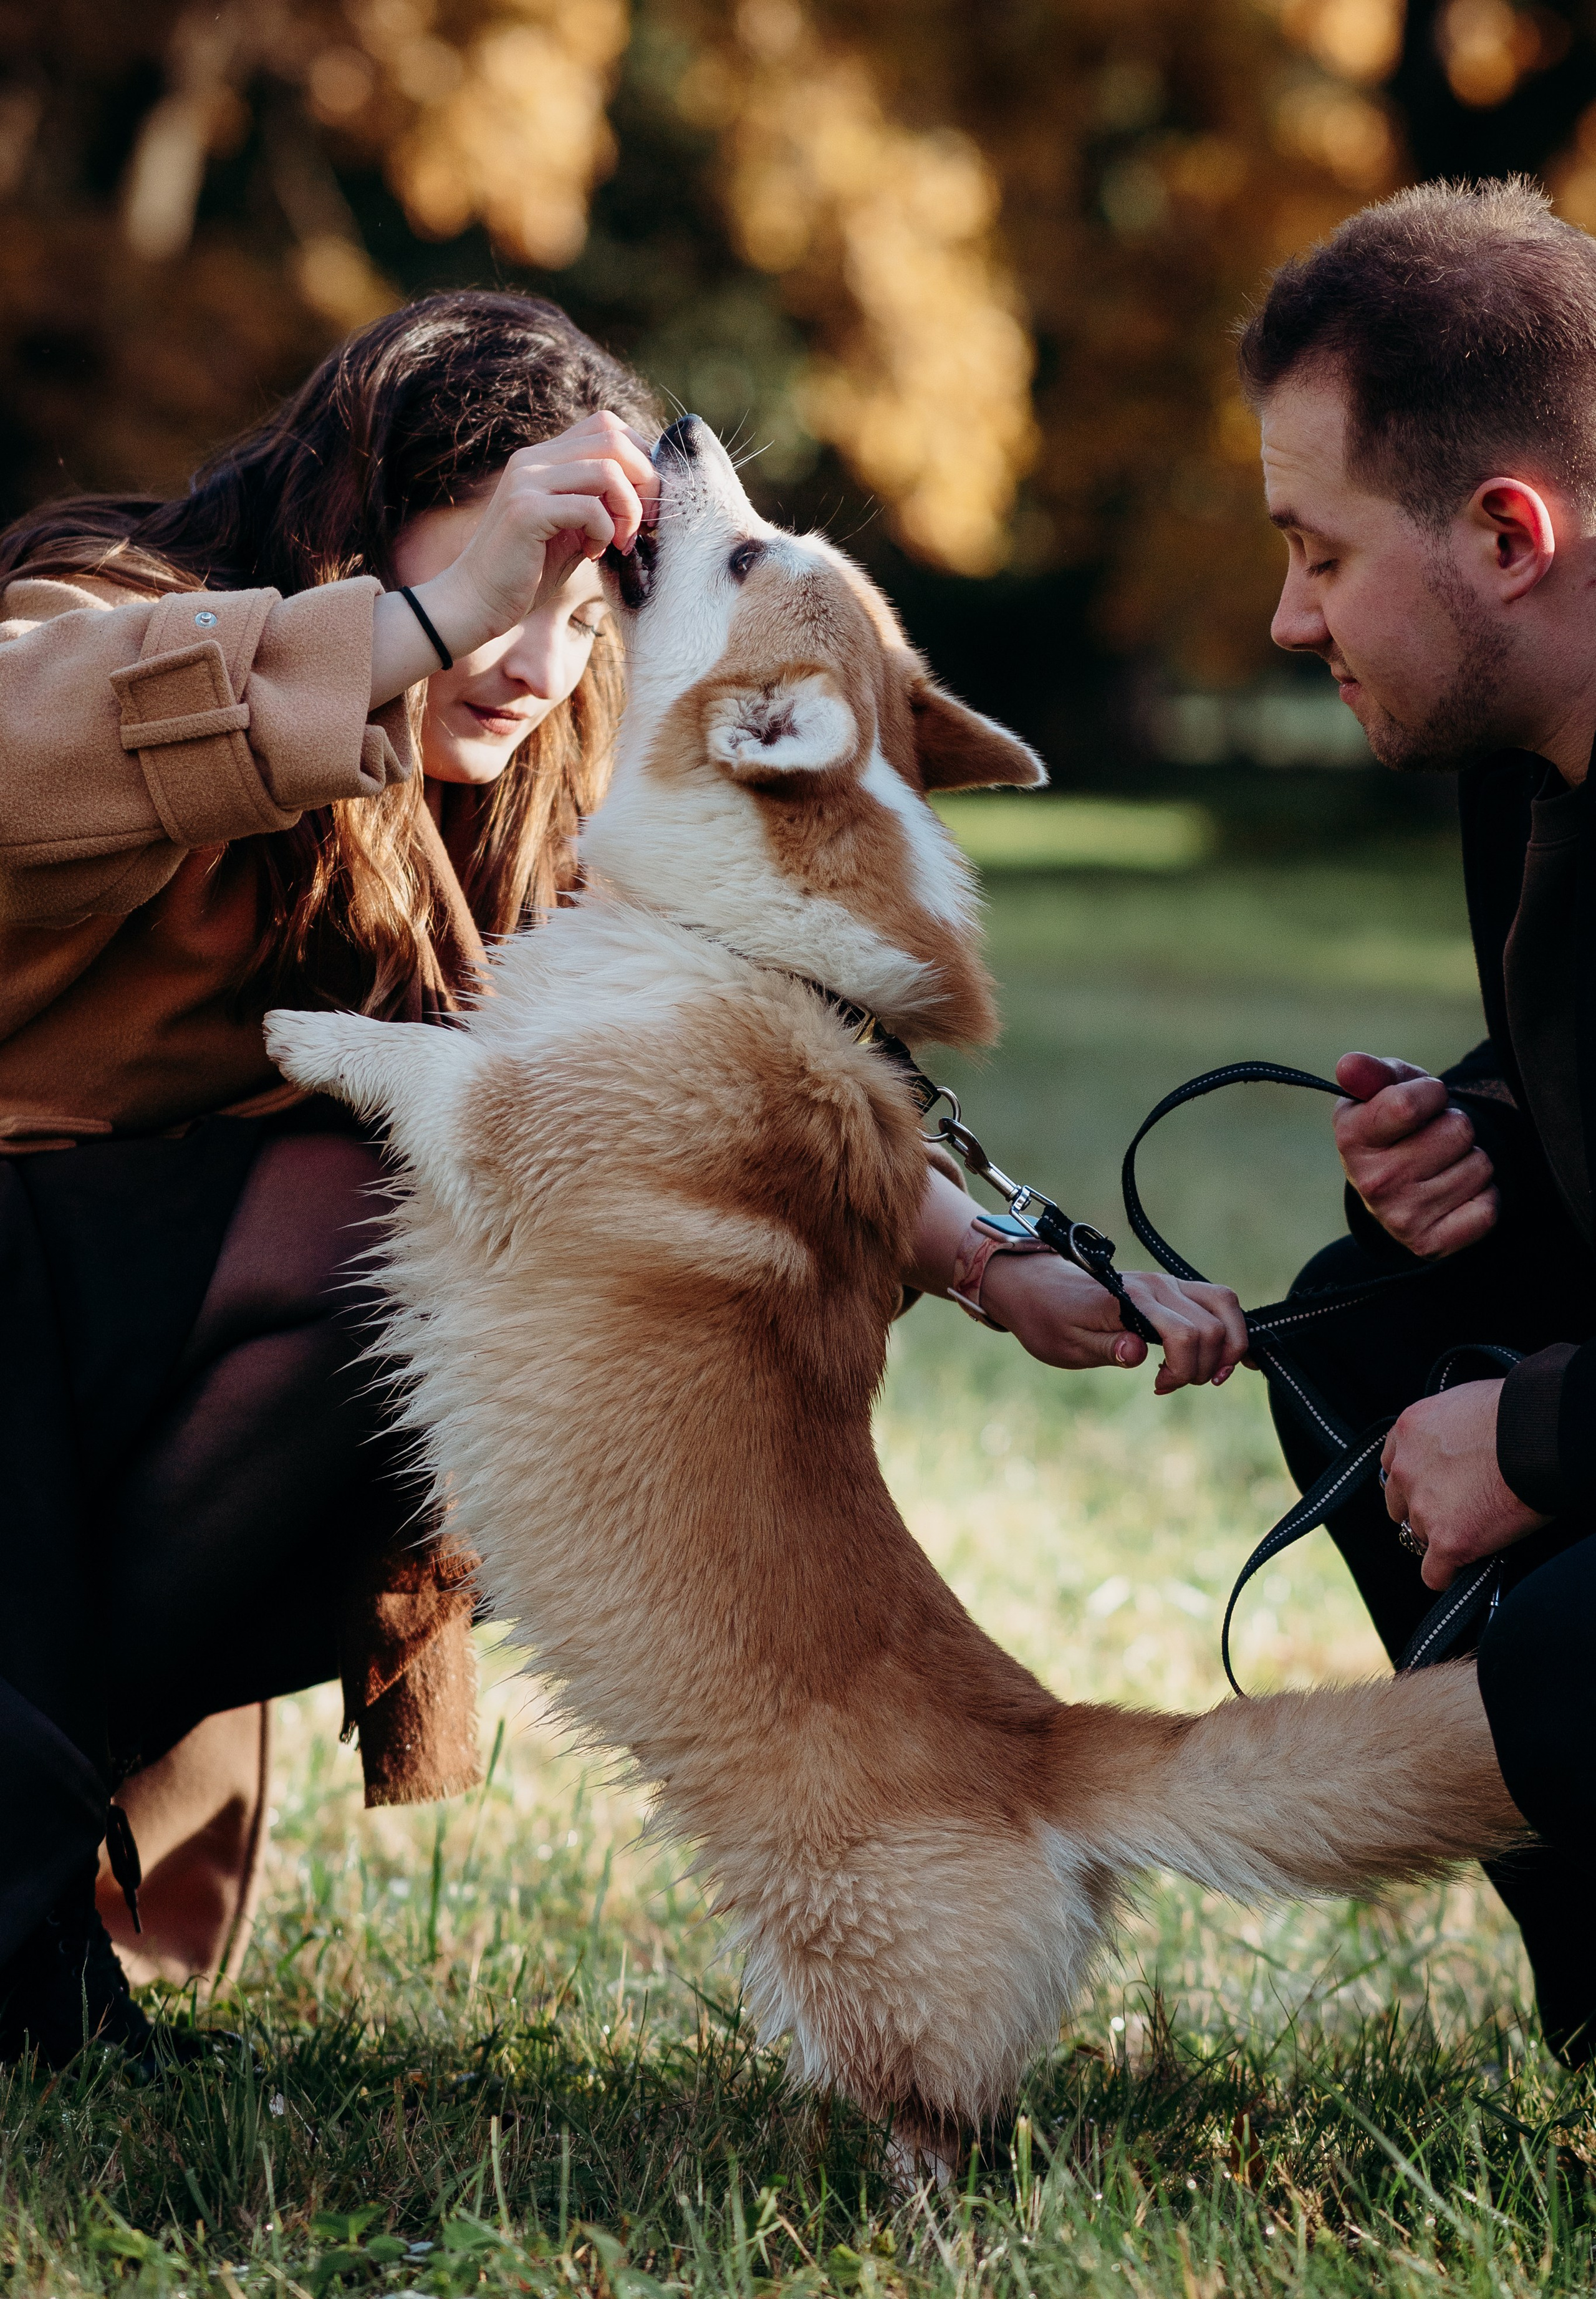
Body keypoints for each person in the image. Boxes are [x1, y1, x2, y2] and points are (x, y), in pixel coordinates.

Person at [0, 289, 1249, 2073]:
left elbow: (637, 1097)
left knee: (492, 1294)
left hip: (109, 1427)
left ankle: (23, 1851)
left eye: (591, 610)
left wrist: (994, 1261)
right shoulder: (126, 617)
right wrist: (422, 624)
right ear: (359, 523)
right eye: (514, 575)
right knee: (355, 1206)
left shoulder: (511, 793)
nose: (535, 651)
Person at [1239, 178, 1596, 2063]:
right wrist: (1478, 1134)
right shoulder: (1522, 755)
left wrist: (1539, 1439)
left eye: (1317, 549)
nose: (1289, 617)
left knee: (1566, 1641)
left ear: (1507, 533)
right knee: (1348, 1322)